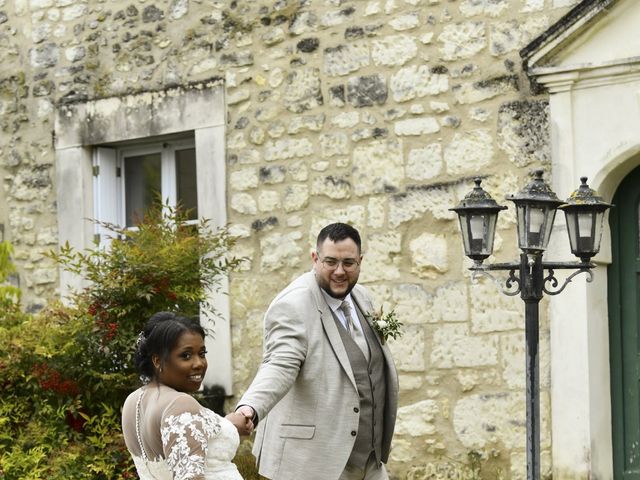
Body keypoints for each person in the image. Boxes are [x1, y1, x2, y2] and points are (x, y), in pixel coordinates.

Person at [236, 223, 399, 480]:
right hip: (315, 460)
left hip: (370, 460)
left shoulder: (362, 297)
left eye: (348, 263)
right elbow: (280, 364)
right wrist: (250, 409)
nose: (339, 271)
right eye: (330, 262)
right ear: (315, 258)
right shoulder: (294, 304)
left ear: (360, 262)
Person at [122, 311, 252, 480]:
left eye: (202, 354)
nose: (199, 364)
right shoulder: (181, 404)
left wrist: (228, 425)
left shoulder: (133, 401)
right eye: (186, 355)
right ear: (157, 360)